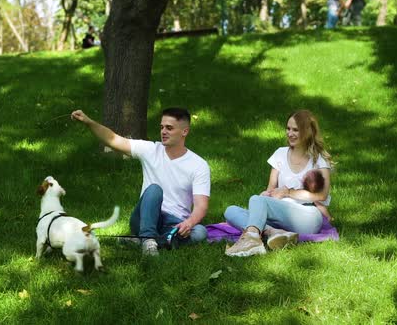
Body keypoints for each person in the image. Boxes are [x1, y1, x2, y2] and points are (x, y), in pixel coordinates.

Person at [71, 108, 211, 256]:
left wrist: (188, 223)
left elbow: (201, 206)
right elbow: (114, 139)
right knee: (154, 189)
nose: (163, 131)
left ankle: (144, 241)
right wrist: (88, 122)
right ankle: (148, 239)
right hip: (144, 218)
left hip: (173, 224)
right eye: (162, 127)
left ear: (184, 132)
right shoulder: (150, 149)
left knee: (200, 232)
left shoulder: (198, 165)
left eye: (169, 128)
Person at [224, 110, 333, 257]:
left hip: (307, 216)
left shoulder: (318, 160)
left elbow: (321, 195)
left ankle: (252, 240)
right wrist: (267, 194)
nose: (290, 133)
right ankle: (274, 233)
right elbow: (270, 189)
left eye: (295, 130)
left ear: (307, 132)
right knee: (231, 211)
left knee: (256, 200)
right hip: (281, 217)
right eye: (288, 129)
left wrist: (288, 192)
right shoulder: (280, 153)